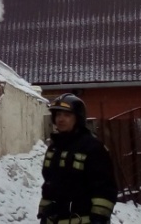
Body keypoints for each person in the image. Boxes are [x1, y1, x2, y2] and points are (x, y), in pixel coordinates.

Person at [39, 93, 117, 224]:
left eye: (67, 115)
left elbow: (104, 188)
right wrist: (44, 214)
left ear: (78, 119)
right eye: (58, 115)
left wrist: (99, 218)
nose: (61, 119)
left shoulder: (92, 147)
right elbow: (49, 185)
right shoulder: (54, 148)